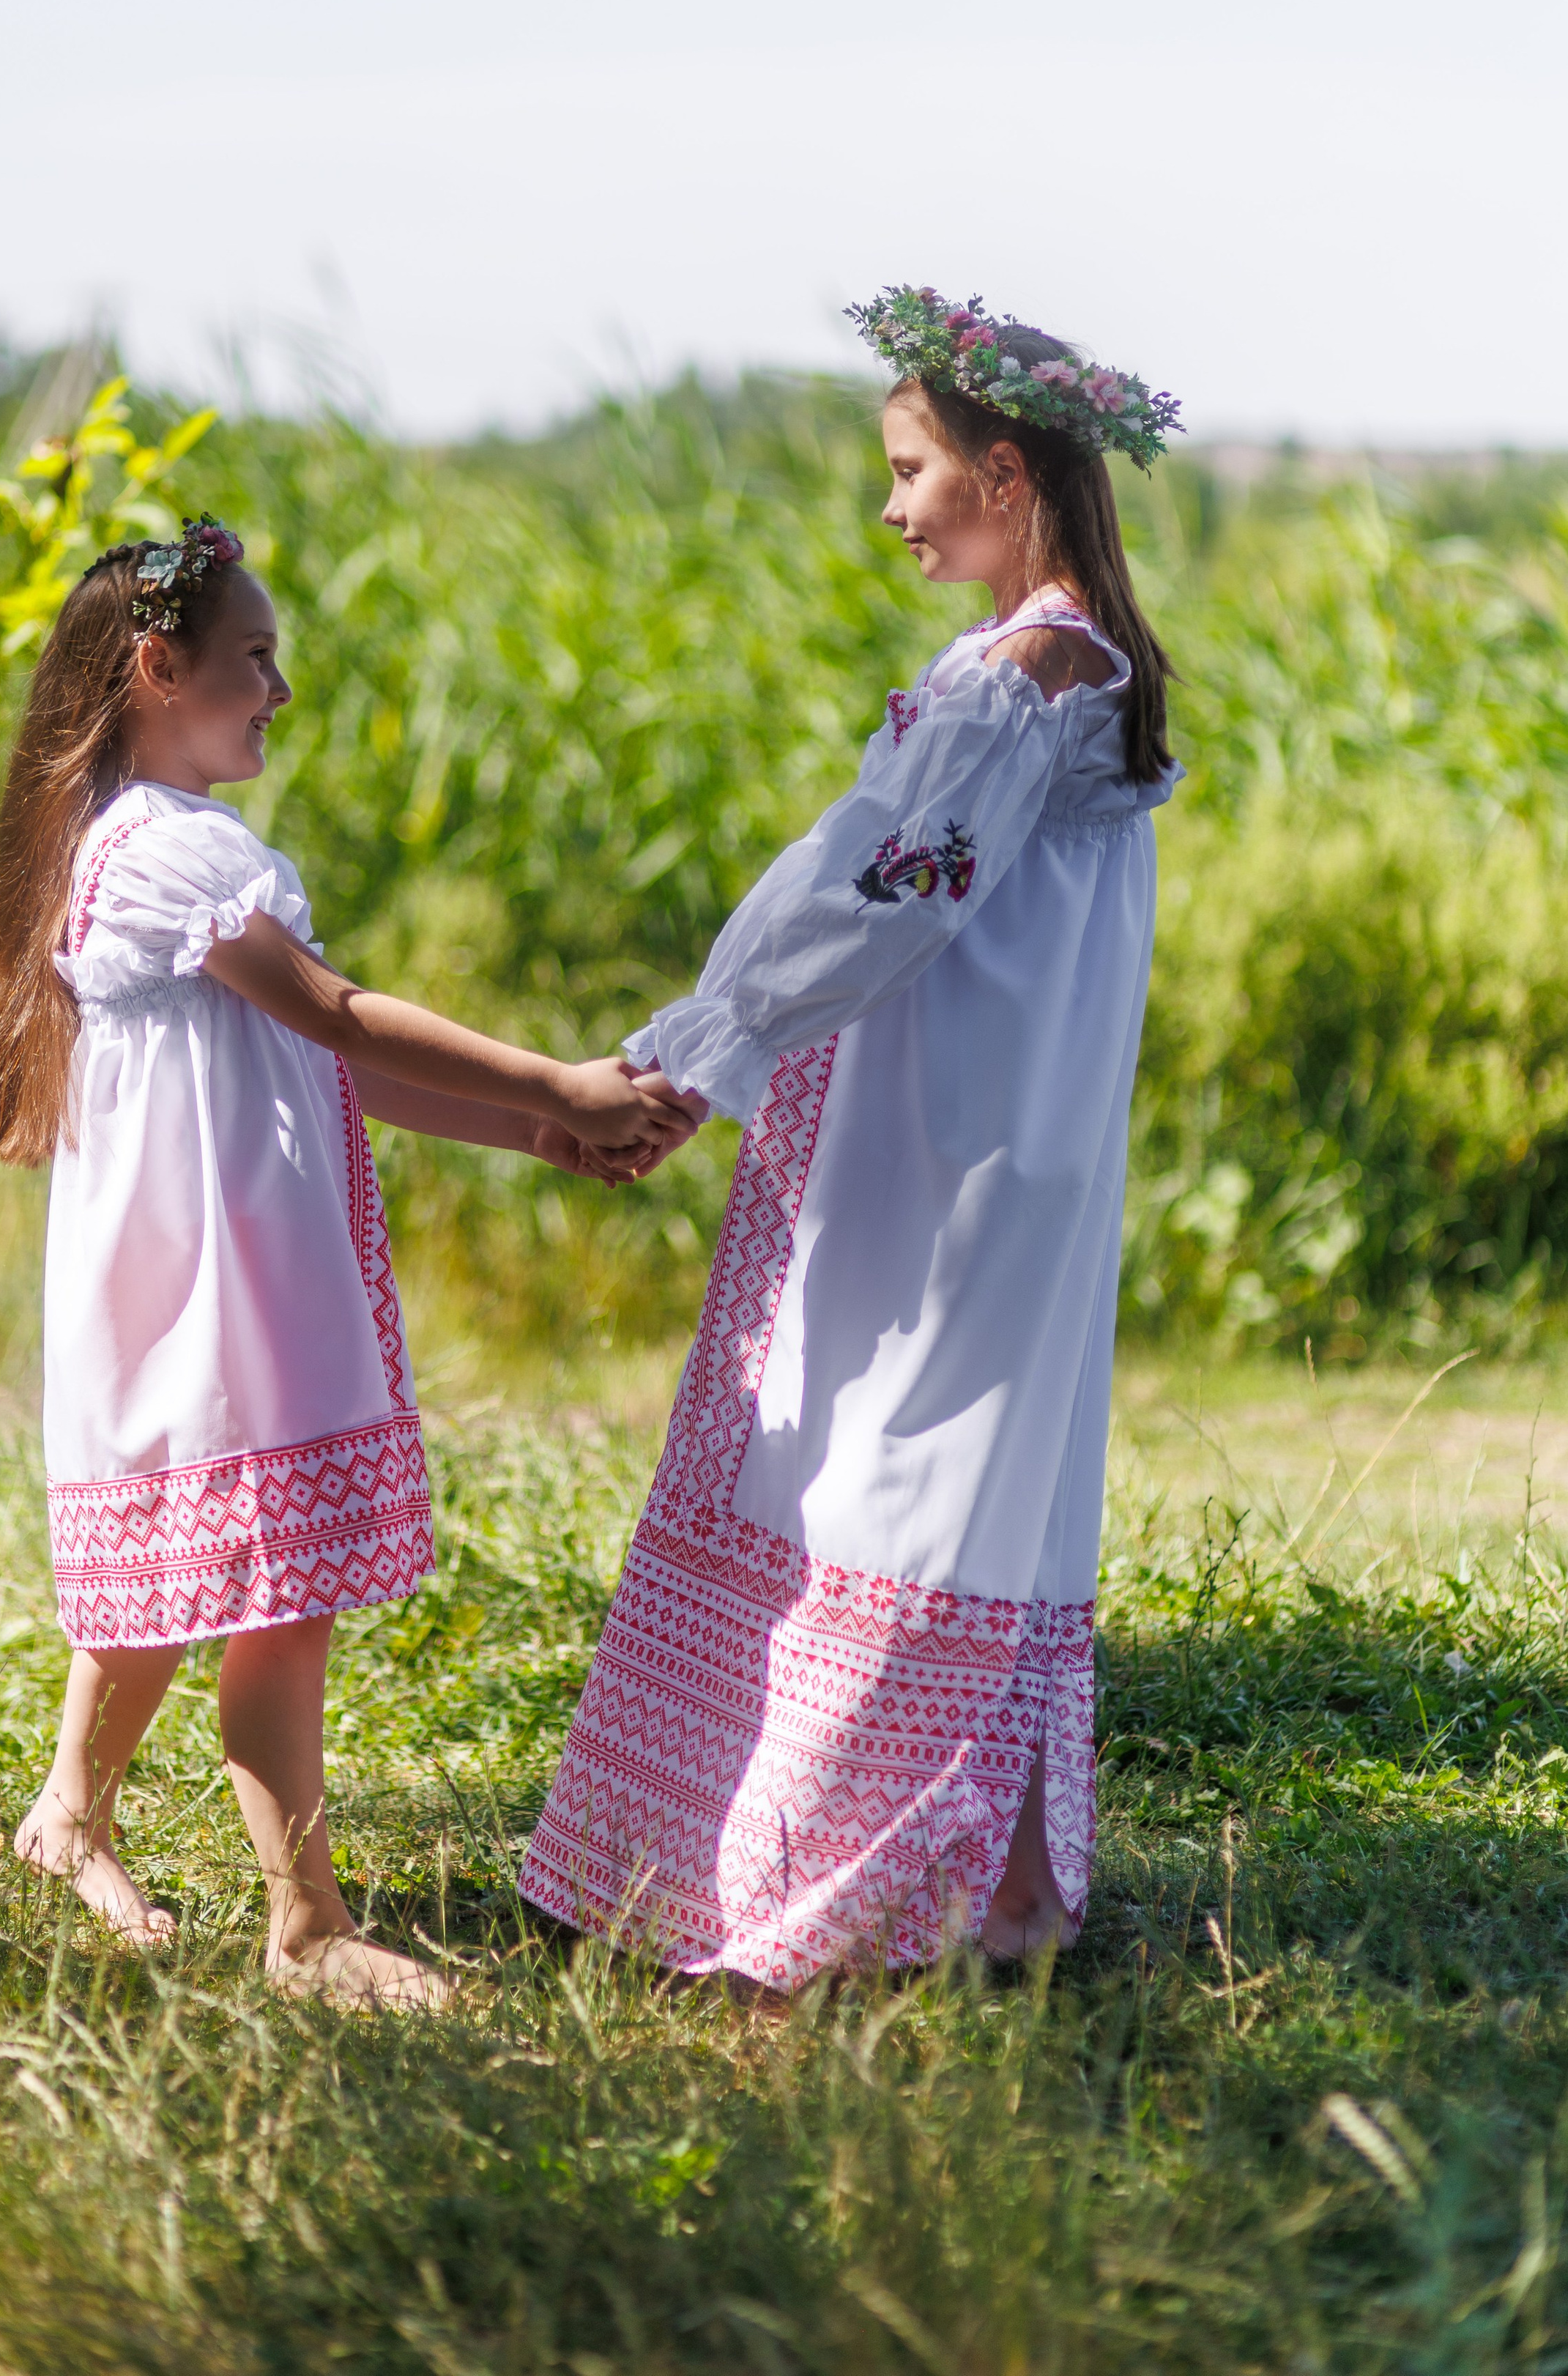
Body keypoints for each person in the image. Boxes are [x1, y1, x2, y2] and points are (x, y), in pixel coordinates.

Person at [0, 520, 693, 2006]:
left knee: (182, 1566)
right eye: (254, 660)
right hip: (219, 1292)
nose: (278, 689)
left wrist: (530, 1137)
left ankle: (67, 1812)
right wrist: (558, 1082)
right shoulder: (163, 852)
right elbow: (332, 1012)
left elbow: (319, 1061)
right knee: (265, 1595)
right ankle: (305, 1927)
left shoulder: (135, 841)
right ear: (157, 670)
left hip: (209, 1277)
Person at [521, 290, 1182, 1988]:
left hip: (955, 1141)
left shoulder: (1031, 671)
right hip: (950, 1119)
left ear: (1006, 473)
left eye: (910, 471)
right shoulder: (1029, 662)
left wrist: (706, 1038)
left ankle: (850, 1886)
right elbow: (884, 874)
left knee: (905, 1465)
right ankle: (1002, 1890)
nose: (889, 508)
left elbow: (887, 890)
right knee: (929, 1468)